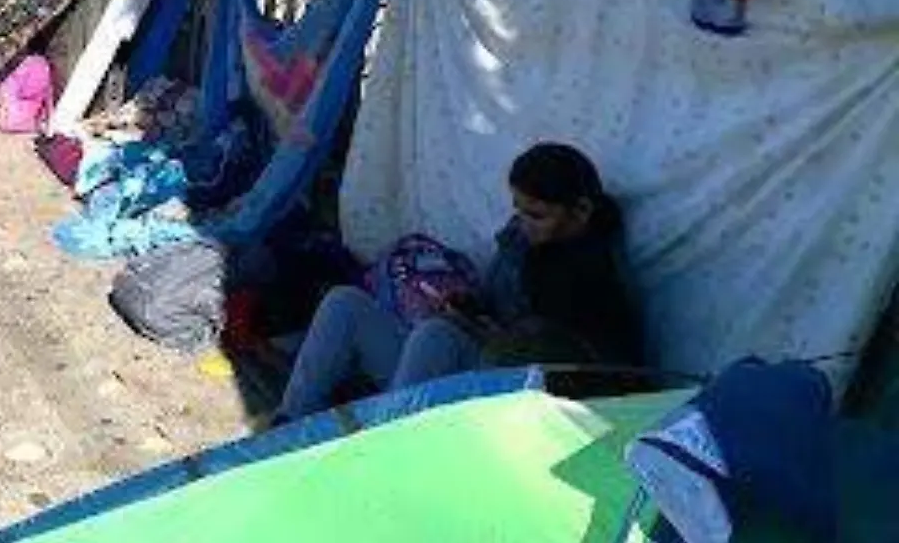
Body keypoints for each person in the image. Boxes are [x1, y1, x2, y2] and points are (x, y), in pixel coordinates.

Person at [274, 143, 644, 422]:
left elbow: (540, 367)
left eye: (537, 215)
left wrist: (468, 326)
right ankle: (288, 426)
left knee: (436, 335)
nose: (523, 223)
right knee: (346, 303)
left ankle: (384, 444)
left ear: (580, 211)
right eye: (518, 210)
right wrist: (467, 303)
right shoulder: (521, 240)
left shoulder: (592, 278)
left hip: (501, 394)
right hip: (457, 365)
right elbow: (493, 300)